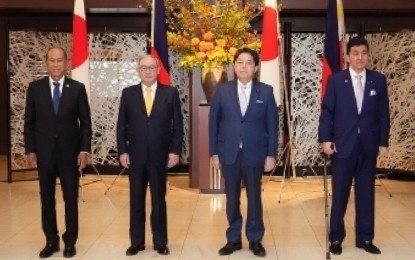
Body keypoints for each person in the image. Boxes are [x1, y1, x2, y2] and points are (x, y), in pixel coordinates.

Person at [319, 36, 390, 255]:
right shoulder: (337, 80)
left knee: (366, 194)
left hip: (368, 146)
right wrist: (325, 139)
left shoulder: (378, 80)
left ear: (368, 55)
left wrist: (383, 141)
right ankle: (336, 238)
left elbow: (383, 114)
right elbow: (327, 112)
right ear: (347, 56)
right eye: (356, 53)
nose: (360, 57)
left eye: (364, 53)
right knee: (340, 194)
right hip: (342, 146)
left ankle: (365, 238)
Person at [209, 47, 278, 257]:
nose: (244, 66)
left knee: (254, 197)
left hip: (255, 153)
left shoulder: (266, 91)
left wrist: (270, 154)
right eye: (240, 62)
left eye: (249, 62)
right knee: (231, 197)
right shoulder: (222, 90)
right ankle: (233, 239)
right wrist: (214, 152)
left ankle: (255, 239)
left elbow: (272, 125)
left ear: (255, 67)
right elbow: (213, 123)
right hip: (228, 152)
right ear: (234, 66)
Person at [24, 47, 92, 258]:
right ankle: (51, 241)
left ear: (66, 63)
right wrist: (30, 149)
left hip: (69, 154)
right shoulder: (35, 88)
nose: (55, 64)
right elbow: (29, 123)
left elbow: (86, 123)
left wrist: (84, 149)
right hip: (44, 153)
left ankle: (70, 241)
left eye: (59, 60)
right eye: (52, 60)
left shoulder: (77, 88)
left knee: (70, 199)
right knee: (47, 198)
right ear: (46, 63)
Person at [117, 54, 183, 256]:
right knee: (136, 200)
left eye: (151, 67)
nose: (147, 71)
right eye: (143, 68)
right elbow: (121, 126)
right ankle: (136, 242)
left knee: (158, 201)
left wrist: (174, 151)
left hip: (160, 156)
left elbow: (178, 127)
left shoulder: (170, 93)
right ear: (138, 70)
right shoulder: (128, 93)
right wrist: (122, 150)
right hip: (135, 156)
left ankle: (160, 242)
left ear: (158, 70)